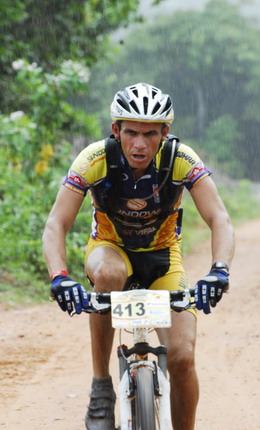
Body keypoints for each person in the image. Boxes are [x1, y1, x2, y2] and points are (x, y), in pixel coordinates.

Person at [42, 82, 235, 430]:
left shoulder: (180, 158)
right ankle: (102, 387)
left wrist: (218, 271)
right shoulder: (94, 159)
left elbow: (219, 217)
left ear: (165, 133)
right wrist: (59, 277)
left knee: (182, 357)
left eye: (150, 134)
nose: (140, 144)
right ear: (116, 130)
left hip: (163, 259)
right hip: (110, 249)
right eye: (131, 132)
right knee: (111, 274)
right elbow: (57, 222)